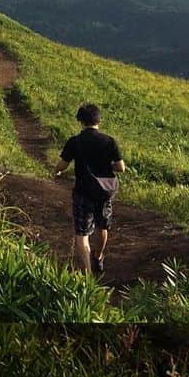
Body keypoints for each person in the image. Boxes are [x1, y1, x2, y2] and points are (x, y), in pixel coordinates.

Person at [53, 103, 125, 276]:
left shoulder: (75, 142)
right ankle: (98, 256)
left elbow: (63, 164)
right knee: (102, 227)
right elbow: (120, 167)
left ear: (81, 121)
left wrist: (56, 171)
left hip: (82, 192)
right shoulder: (109, 141)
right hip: (103, 192)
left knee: (82, 233)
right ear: (99, 120)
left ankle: (87, 272)